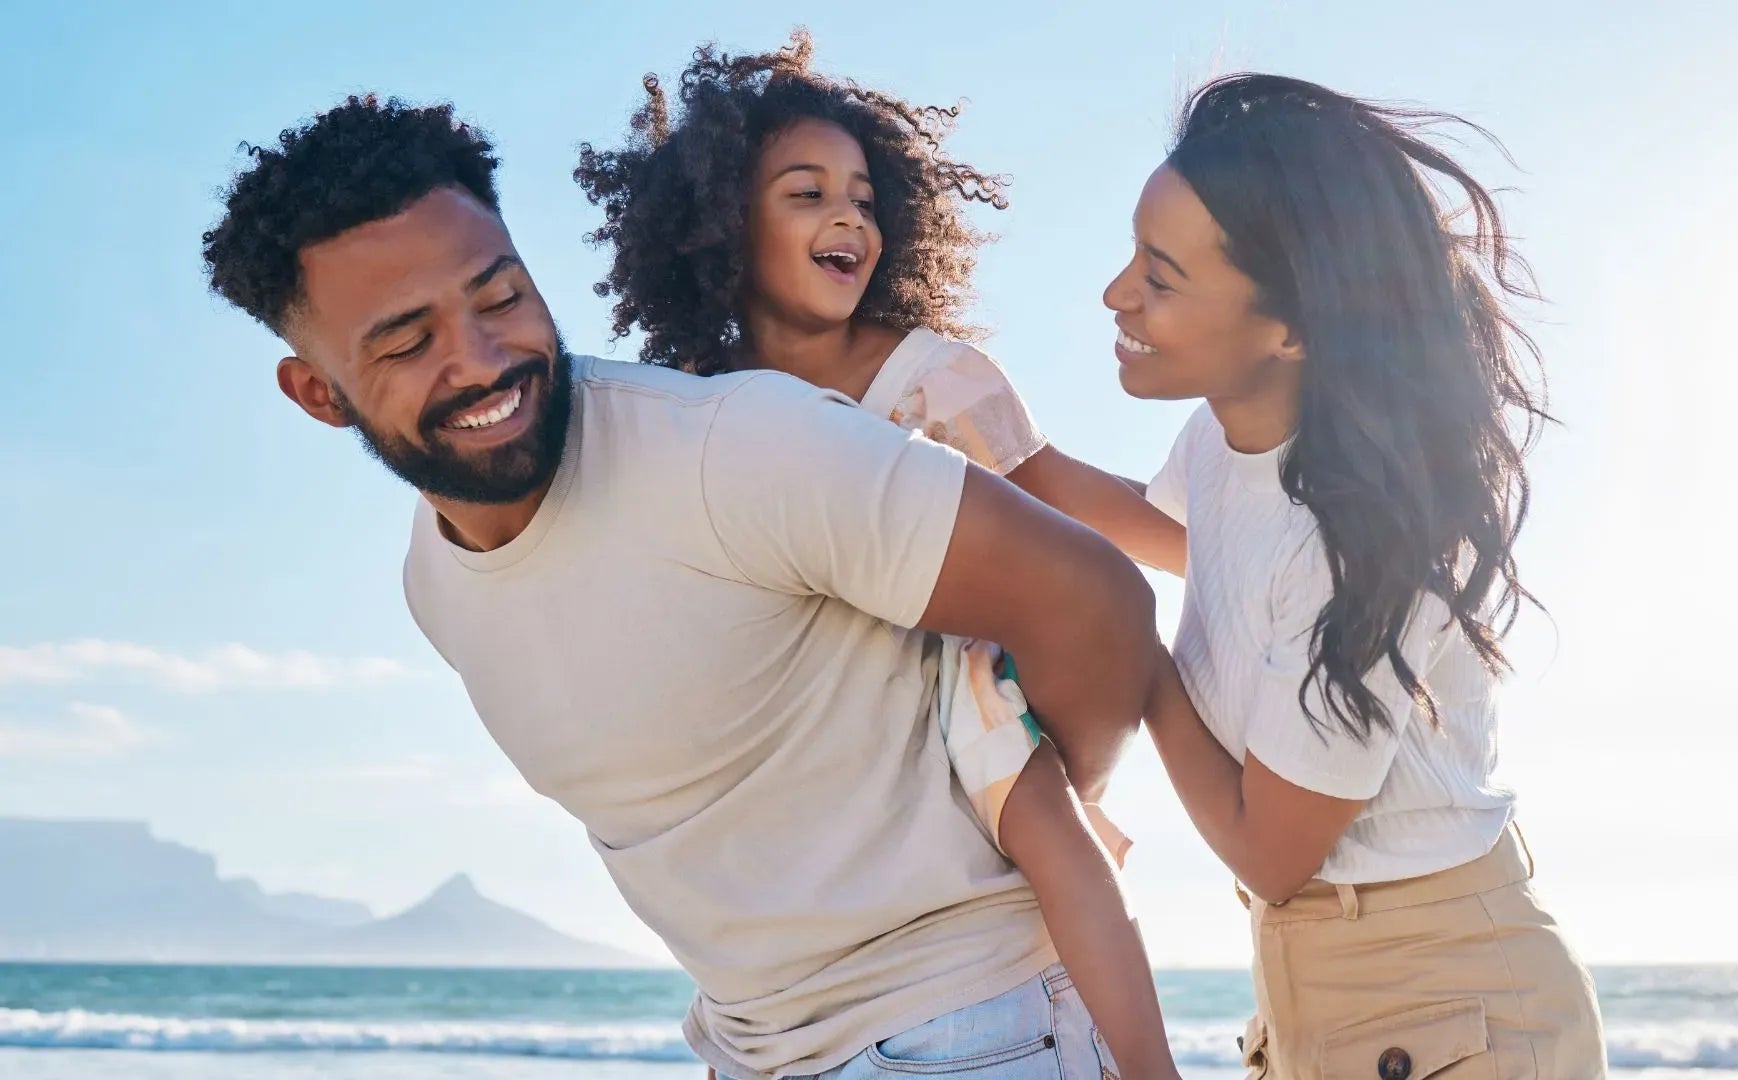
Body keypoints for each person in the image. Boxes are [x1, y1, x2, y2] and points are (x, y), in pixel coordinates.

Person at [202, 93, 1159, 1080]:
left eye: (501, 298)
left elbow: (1098, 601)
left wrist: (1026, 801)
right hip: (753, 1050)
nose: (481, 361)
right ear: (317, 392)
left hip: (970, 1031)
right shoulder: (434, 581)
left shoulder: (734, 447)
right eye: (407, 342)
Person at [573, 34, 1184, 1080]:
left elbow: (1061, 491)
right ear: (723, 226)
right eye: (807, 195)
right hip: (808, 713)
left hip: (948, 674)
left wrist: (1213, 546)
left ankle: (1149, 1066)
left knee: (1050, 831)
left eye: (862, 197)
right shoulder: (701, 407)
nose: (848, 217)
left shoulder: (930, 378)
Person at [1108, 74, 1607, 1078]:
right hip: (1326, 987)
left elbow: (1271, 852)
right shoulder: (1224, 445)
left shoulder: (1366, 541)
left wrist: (1128, 654)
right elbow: (1187, 544)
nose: (1118, 293)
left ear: (1292, 327)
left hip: (1445, 1003)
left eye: (1160, 278)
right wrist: (981, 443)